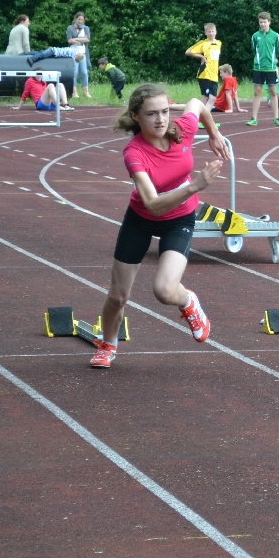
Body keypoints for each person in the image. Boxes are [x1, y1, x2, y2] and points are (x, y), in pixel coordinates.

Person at [87, 83, 230, 367]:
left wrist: (214, 133)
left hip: (180, 219)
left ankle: (188, 301)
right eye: (151, 114)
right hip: (141, 219)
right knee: (118, 295)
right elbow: (152, 203)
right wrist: (195, 186)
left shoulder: (183, 129)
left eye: (165, 111)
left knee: (164, 291)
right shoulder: (134, 153)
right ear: (136, 116)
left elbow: (197, 104)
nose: (161, 119)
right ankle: (108, 344)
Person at [247, 12, 279, 127]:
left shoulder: (275, 35)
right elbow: (254, 49)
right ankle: (254, 118)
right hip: (258, 68)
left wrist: (273, 60)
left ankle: (276, 118)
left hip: (271, 68)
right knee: (257, 92)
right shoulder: (255, 36)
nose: (262, 24)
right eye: (260, 22)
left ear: (269, 22)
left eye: (264, 22)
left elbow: (277, 50)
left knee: (273, 92)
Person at [185, 23, 223, 109]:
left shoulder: (219, 43)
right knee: (208, 97)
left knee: (210, 98)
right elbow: (188, 52)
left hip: (214, 74)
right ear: (205, 33)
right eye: (209, 32)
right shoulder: (203, 43)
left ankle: (200, 116)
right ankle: (200, 116)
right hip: (205, 73)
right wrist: (201, 57)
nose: (211, 33)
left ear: (216, 32)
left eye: (212, 31)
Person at [66, 12, 93, 99]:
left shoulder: (86, 28)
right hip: (73, 52)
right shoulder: (70, 28)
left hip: (83, 52)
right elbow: (69, 40)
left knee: (84, 72)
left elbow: (87, 39)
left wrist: (76, 39)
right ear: (75, 19)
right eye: (79, 19)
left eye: (82, 20)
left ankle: (85, 92)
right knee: (75, 72)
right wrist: (81, 39)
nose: (80, 21)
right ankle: (74, 92)